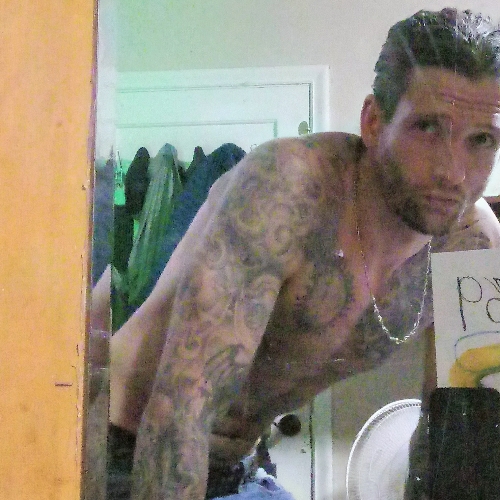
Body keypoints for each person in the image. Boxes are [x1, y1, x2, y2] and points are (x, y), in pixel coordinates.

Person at [107, 7, 500, 500]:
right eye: (428, 129)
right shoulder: (288, 189)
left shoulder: (474, 245)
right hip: (119, 451)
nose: (453, 172)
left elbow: (450, 435)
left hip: (237, 469)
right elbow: (181, 411)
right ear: (374, 122)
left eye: (481, 140)